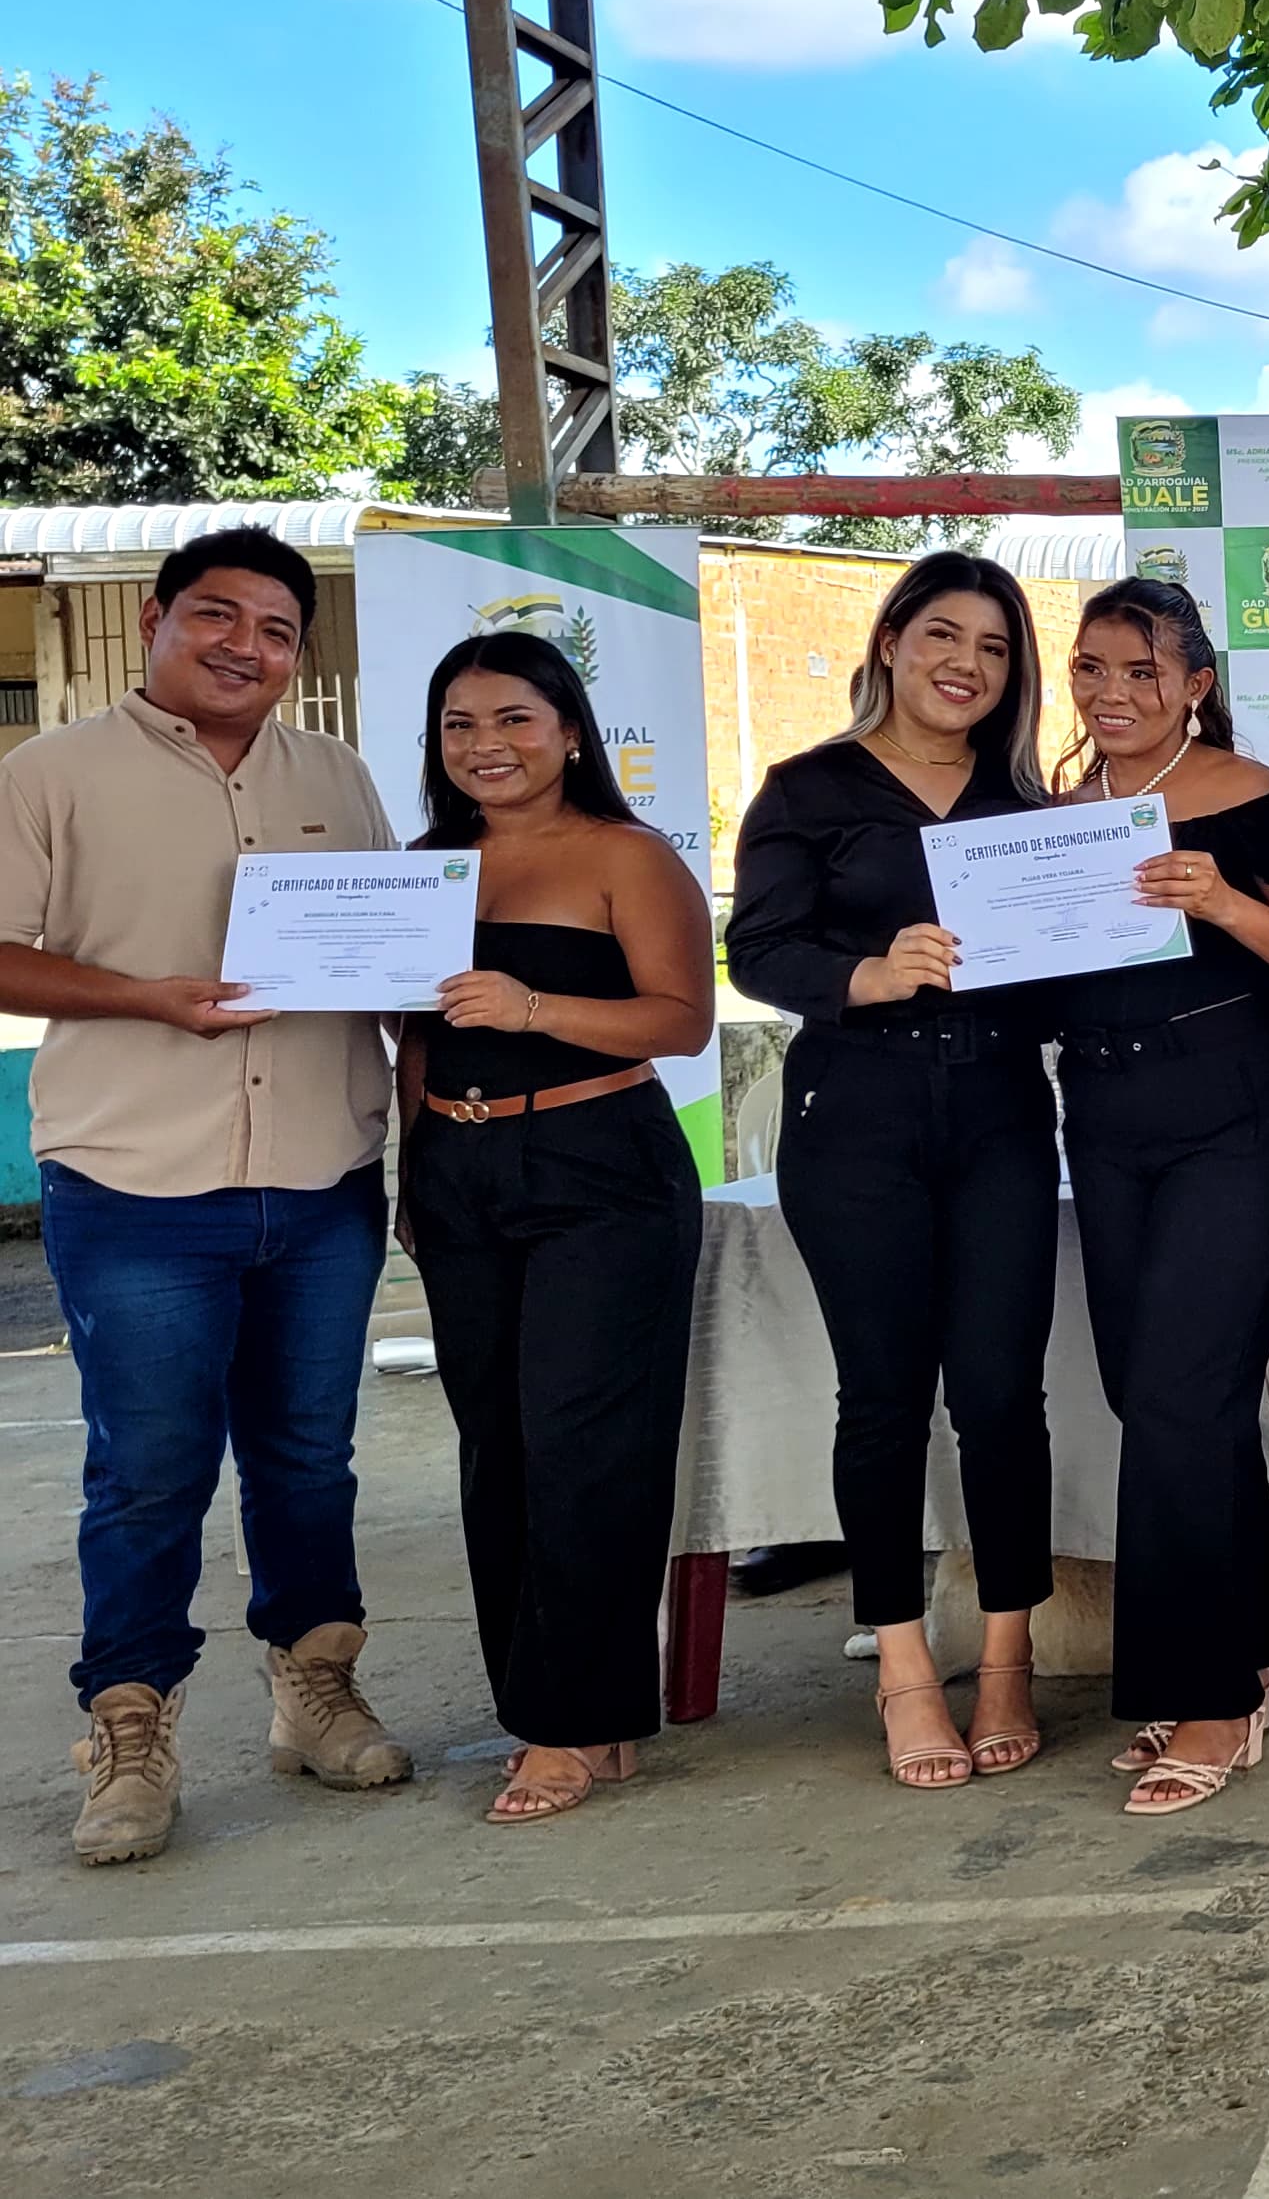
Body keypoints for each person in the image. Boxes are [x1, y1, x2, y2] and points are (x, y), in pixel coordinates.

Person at [0, 527, 410, 1866]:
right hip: (136, 1184)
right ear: (158, 621)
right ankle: (130, 1728)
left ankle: (314, 1685)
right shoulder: (52, 774)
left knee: (307, 1459)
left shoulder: (336, 775)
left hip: (323, 1178)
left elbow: (387, 950)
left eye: (277, 630)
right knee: (148, 1470)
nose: (247, 647)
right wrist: (145, 999)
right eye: (217, 616)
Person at [724, 551, 1061, 1790]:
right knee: (881, 1401)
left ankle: (1009, 1658)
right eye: (943, 637)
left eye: (994, 649)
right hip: (855, 1115)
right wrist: (863, 975)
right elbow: (757, 947)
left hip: (1001, 1113)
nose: (967, 665)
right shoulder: (807, 788)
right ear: (890, 642)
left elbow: (1068, 968)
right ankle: (906, 1670)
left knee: (1002, 1399)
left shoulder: (1030, 808)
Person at [398, 634, 716, 1823]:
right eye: (460, 724)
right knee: (496, 1445)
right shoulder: (423, 867)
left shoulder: (627, 856)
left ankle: (564, 1726)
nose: (487, 745)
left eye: (514, 719)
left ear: (571, 731)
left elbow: (681, 1021)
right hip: (456, 1166)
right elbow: (416, 1038)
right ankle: (573, 1708)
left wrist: (532, 1005)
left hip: (601, 1166)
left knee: (585, 1444)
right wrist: (412, 1171)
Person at [1051, 580, 1269, 1814]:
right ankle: (1259, 1630)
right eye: (1090, 668)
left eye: (1141, 670)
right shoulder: (1054, 815)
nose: (1112, 692)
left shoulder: (1256, 798)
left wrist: (1222, 900)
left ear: (1197, 685)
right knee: (1157, 1391)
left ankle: (1212, 1696)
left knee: (1180, 1394)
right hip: (1103, 1110)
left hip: (1237, 1104)